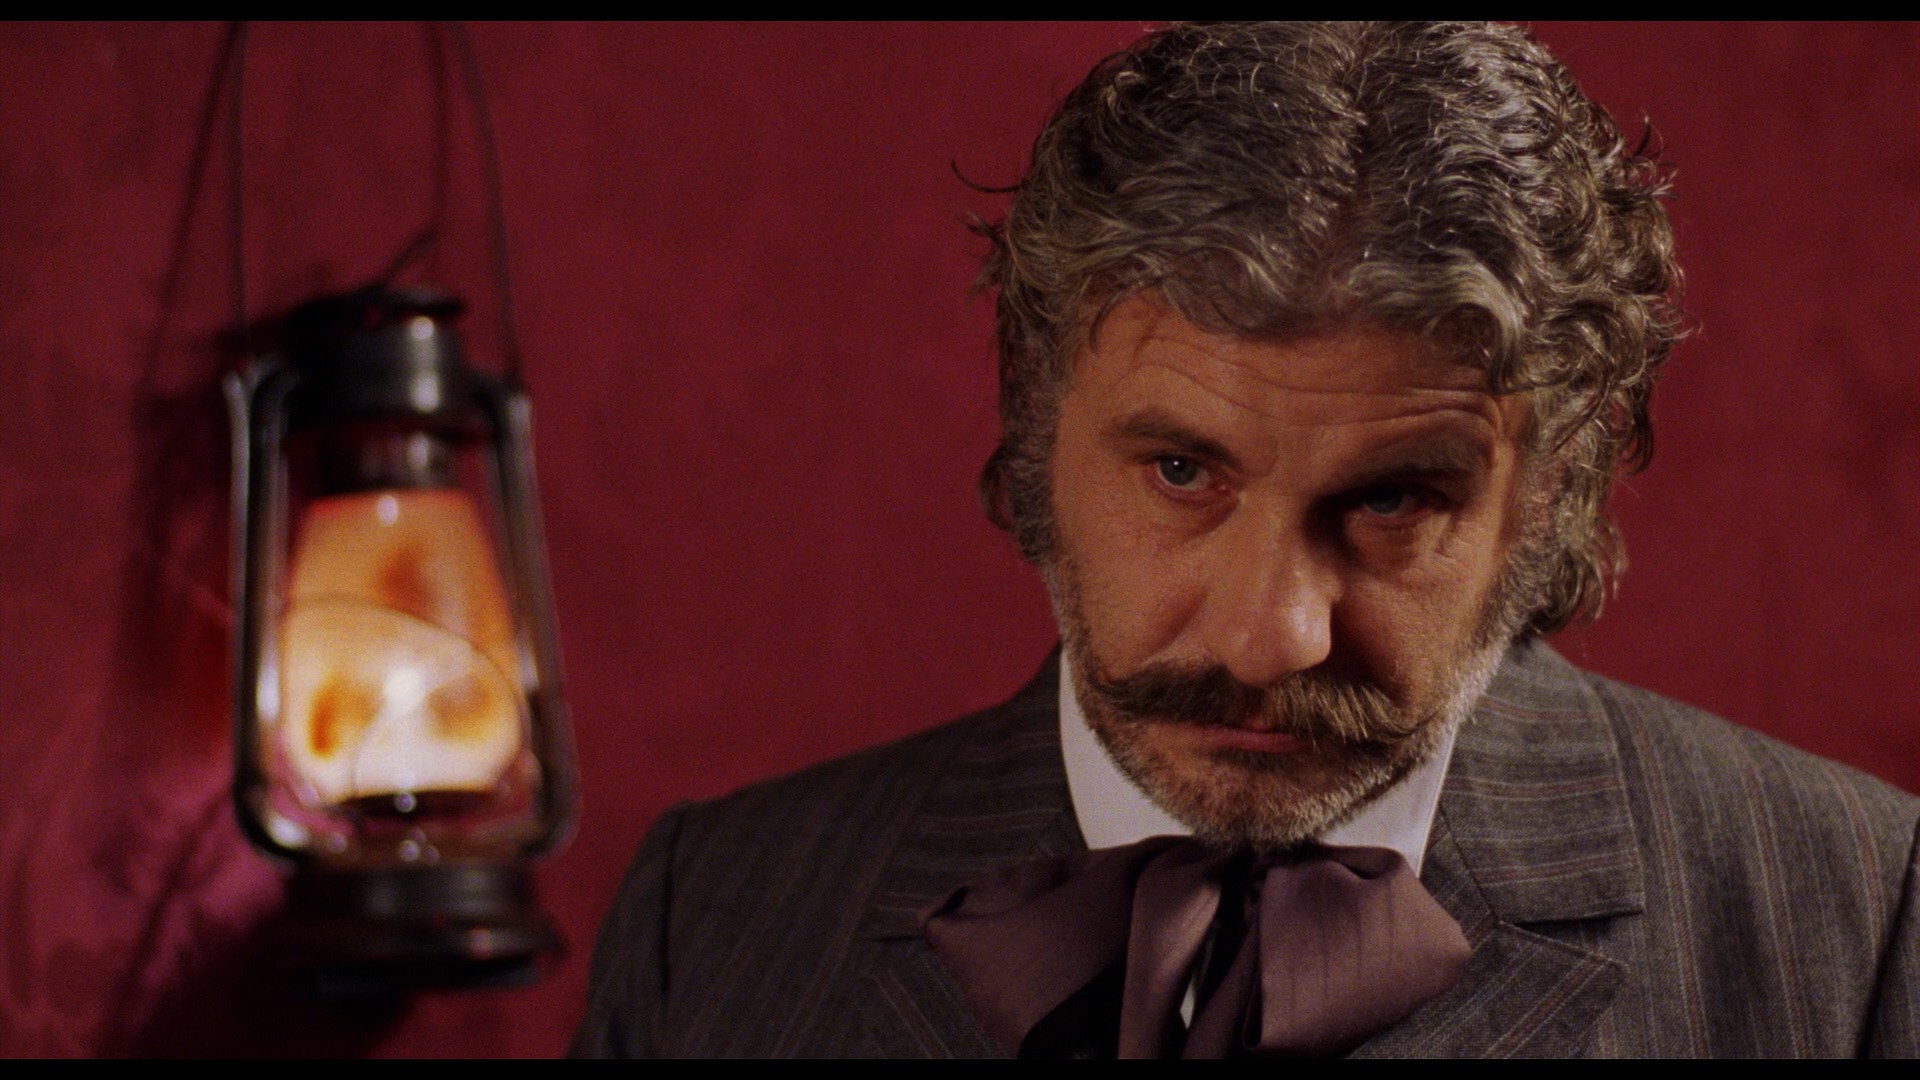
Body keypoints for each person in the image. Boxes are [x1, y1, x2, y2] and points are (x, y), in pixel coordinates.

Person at [572, 22, 1920, 1057]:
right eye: (1181, 471)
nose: (1268, 637)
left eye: (1392, 500)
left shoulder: (1855, 915)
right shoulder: (716, 919)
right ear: (1036, 426)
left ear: (1550, 491)